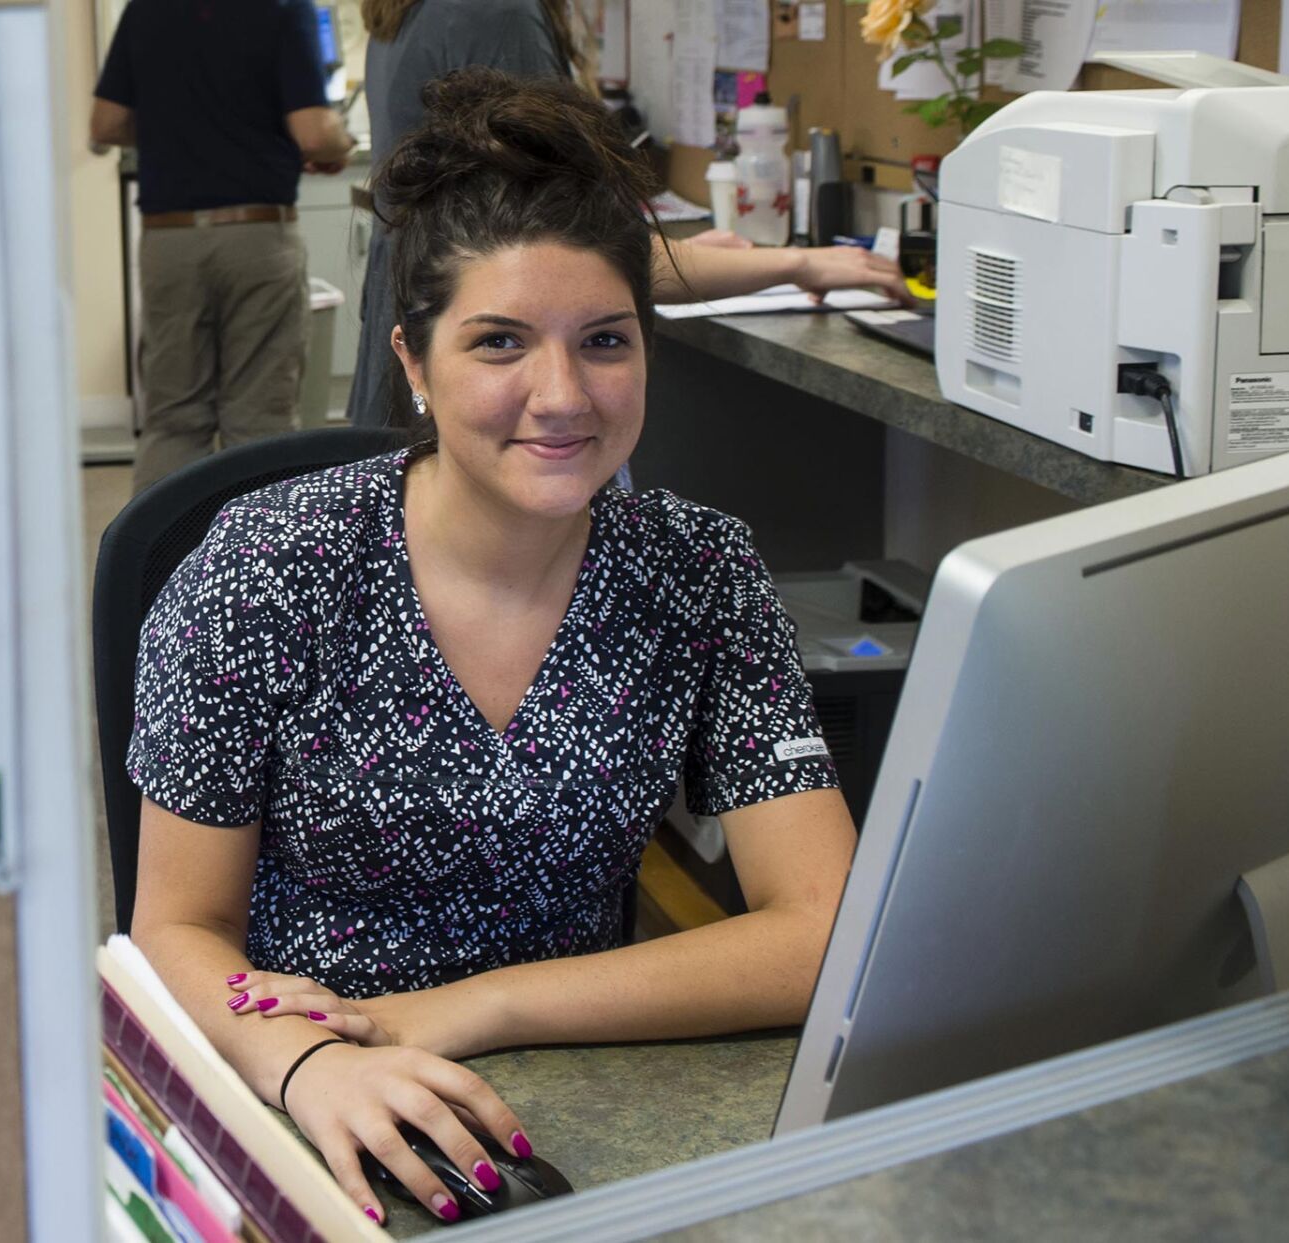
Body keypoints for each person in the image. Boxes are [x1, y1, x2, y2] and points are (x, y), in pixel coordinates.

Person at [127, 69, 856, 1226]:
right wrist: (304, 1064)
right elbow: (173, 925)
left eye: (604, 341)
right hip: (303, 1078)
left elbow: (823, 934)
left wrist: (480, 1005)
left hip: (570, 1081)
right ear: (413, 365)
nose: (561, 395)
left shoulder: (698, 572)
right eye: (499, 342)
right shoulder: (272, 568)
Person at [345, 0, 912, 428]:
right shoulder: (499, 13)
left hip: (438, 342)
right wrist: (800, 265)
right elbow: (573, 265)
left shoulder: (414, 9)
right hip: (486, 382)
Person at [91, 0, 355, 494]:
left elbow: (105, 125)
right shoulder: (283, 8)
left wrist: (177, 135)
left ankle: (160, 565)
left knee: (171, 419)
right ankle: (252, 564)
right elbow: (316, 132)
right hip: (256, 236)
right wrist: (336, 144)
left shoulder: (145, 11)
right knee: (258, 418)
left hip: (168, 241)